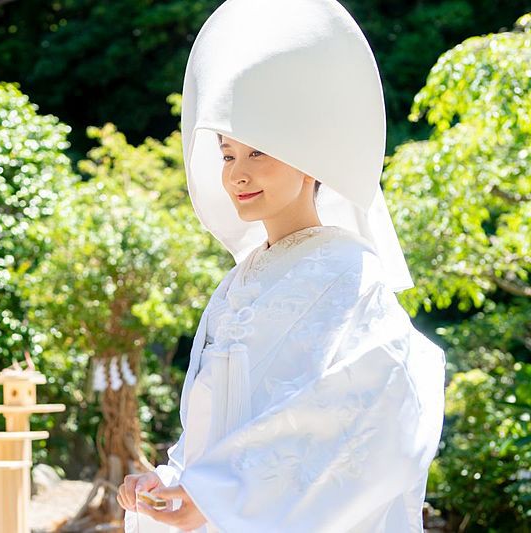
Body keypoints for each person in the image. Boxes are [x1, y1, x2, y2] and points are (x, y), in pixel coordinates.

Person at [117, 0, 447, 531]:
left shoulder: (351, 274)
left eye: (258, 153)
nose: (237, 175)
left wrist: (222, 494)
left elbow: (383, 404)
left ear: (310, 160)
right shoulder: (237, 282)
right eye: (228, 154)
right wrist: (172, 481)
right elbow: (215, 428)